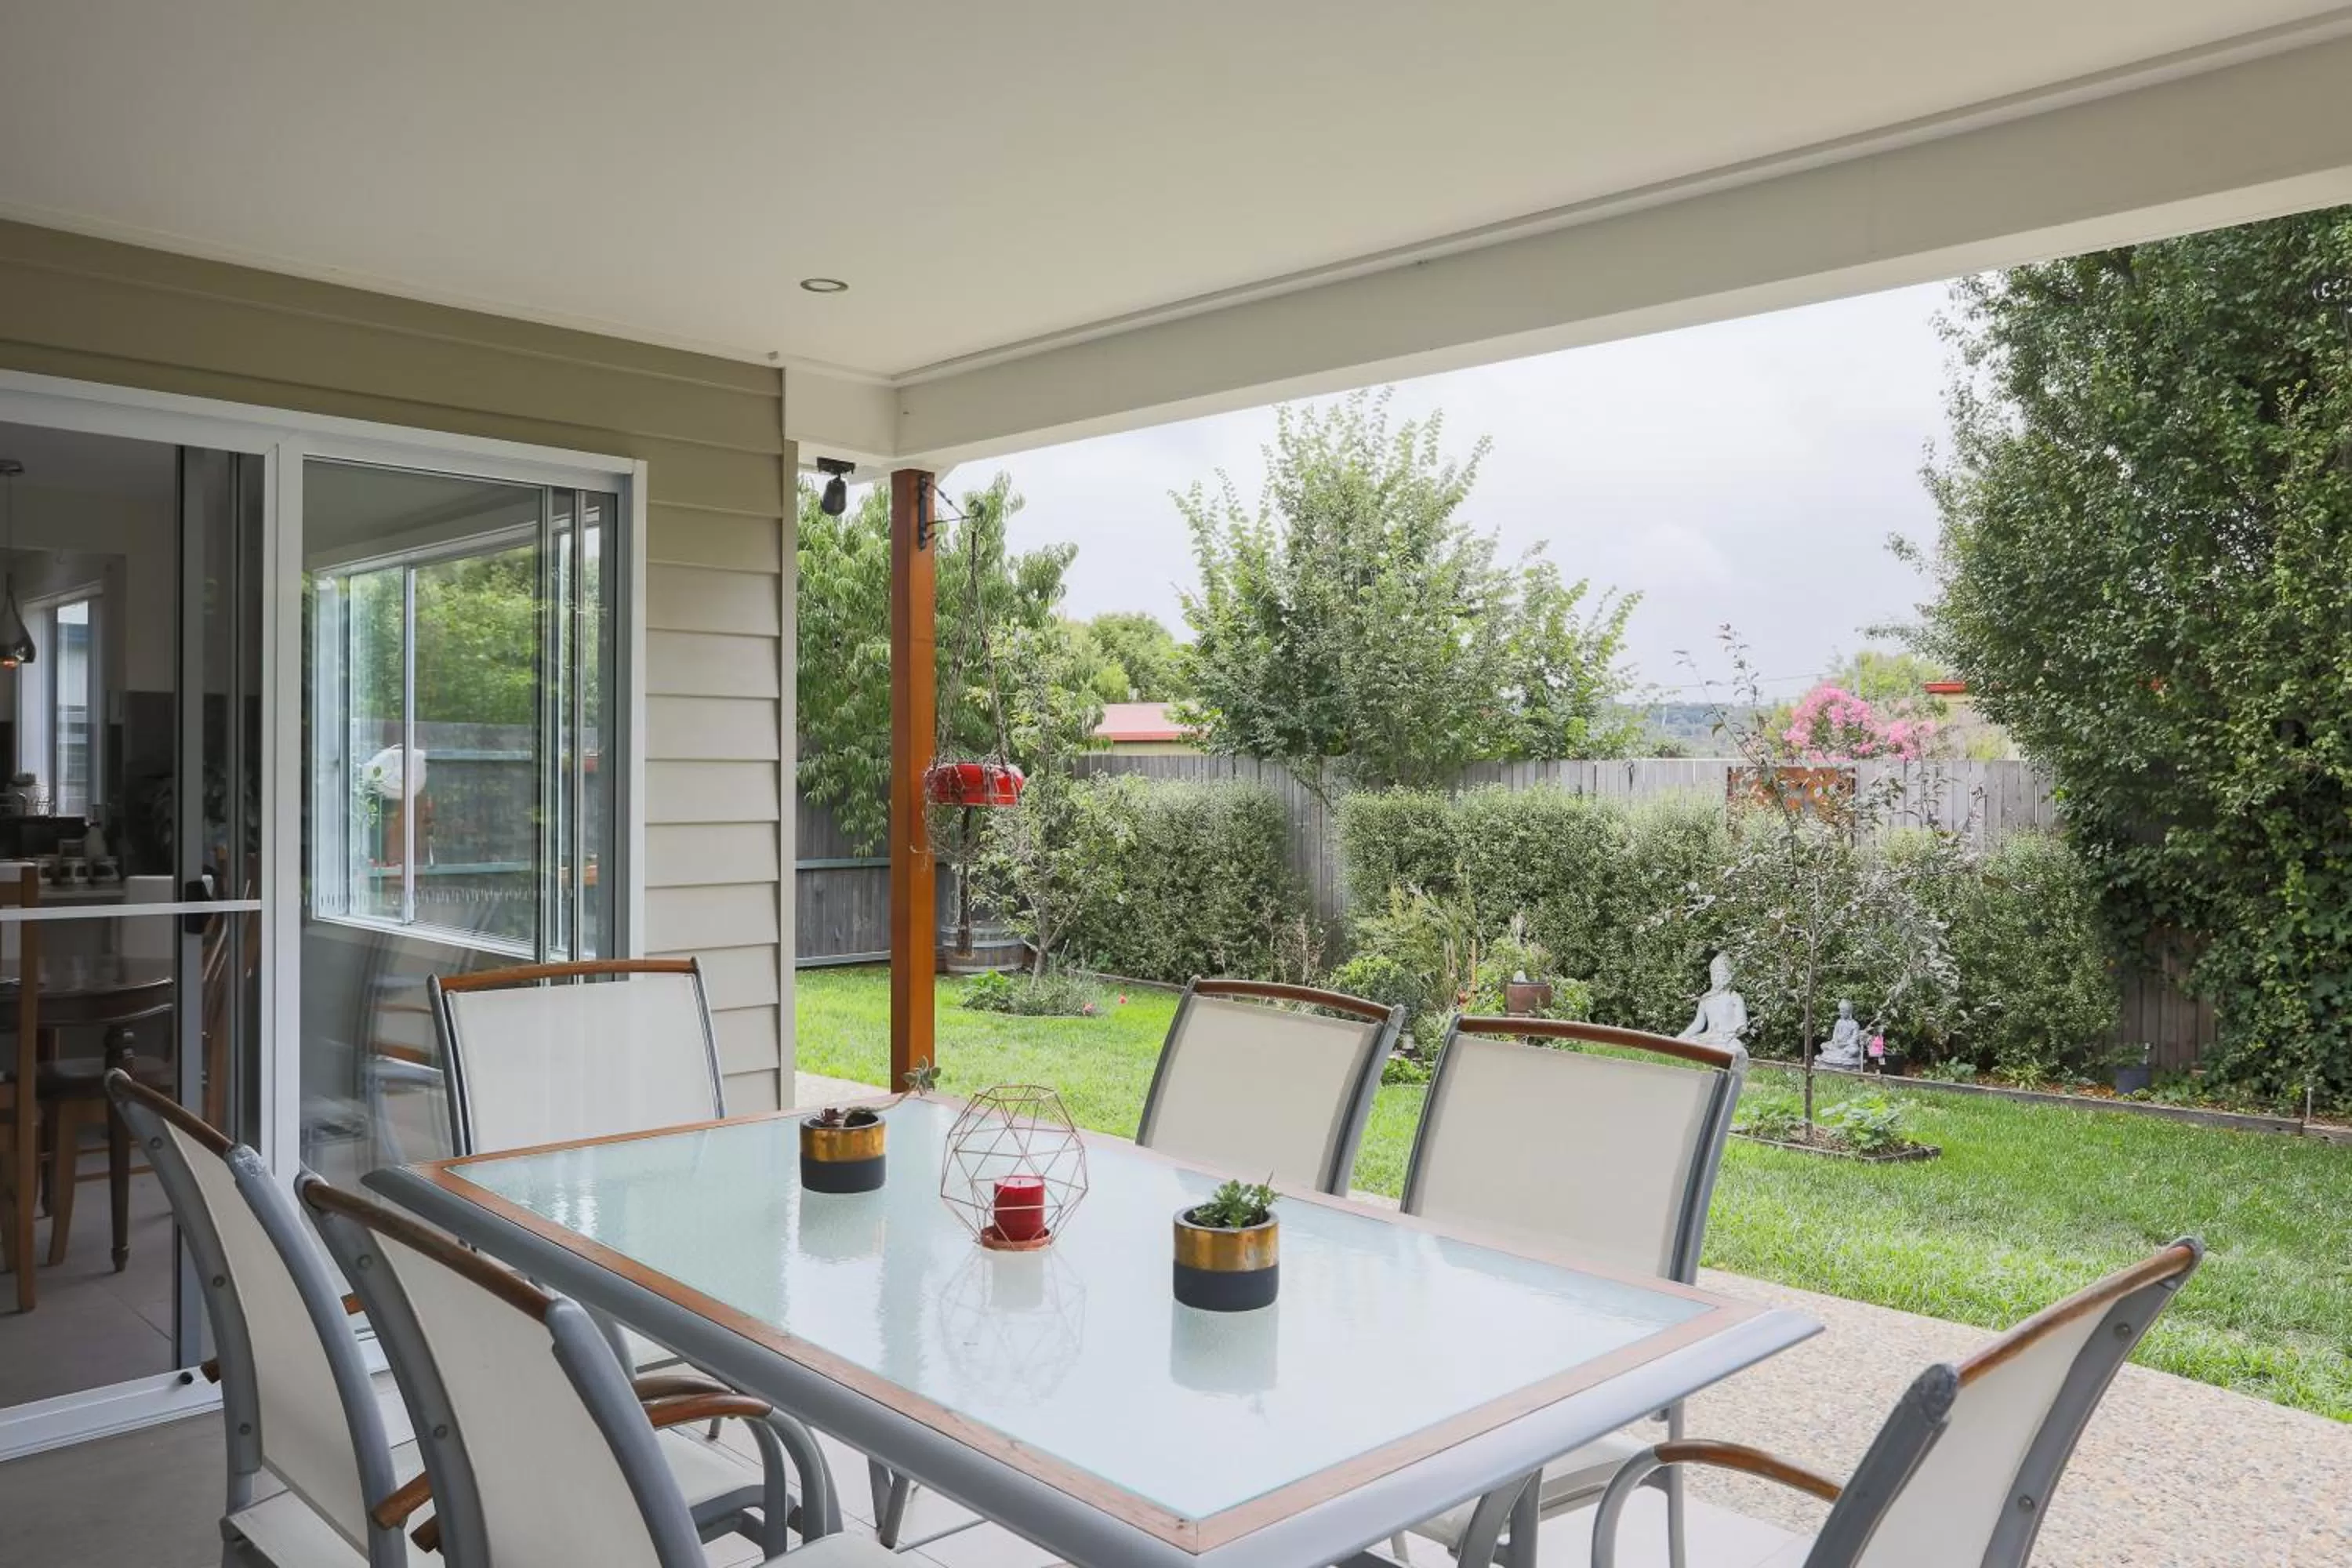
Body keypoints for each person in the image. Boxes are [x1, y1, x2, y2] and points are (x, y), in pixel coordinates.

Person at [1679, 953, 1748, 1046]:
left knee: (1735, 1046)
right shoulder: (1706, 998)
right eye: (1714, 974)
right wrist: (1685, 1035)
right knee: (1691, 1041)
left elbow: (1742, 1027)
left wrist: (1727, 1035)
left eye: (1720, 974)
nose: (1716, 978)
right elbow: (1698, 1024)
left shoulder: (1734, 997)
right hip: (1709, 1037)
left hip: (1728, 1039)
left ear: (1729, 976)